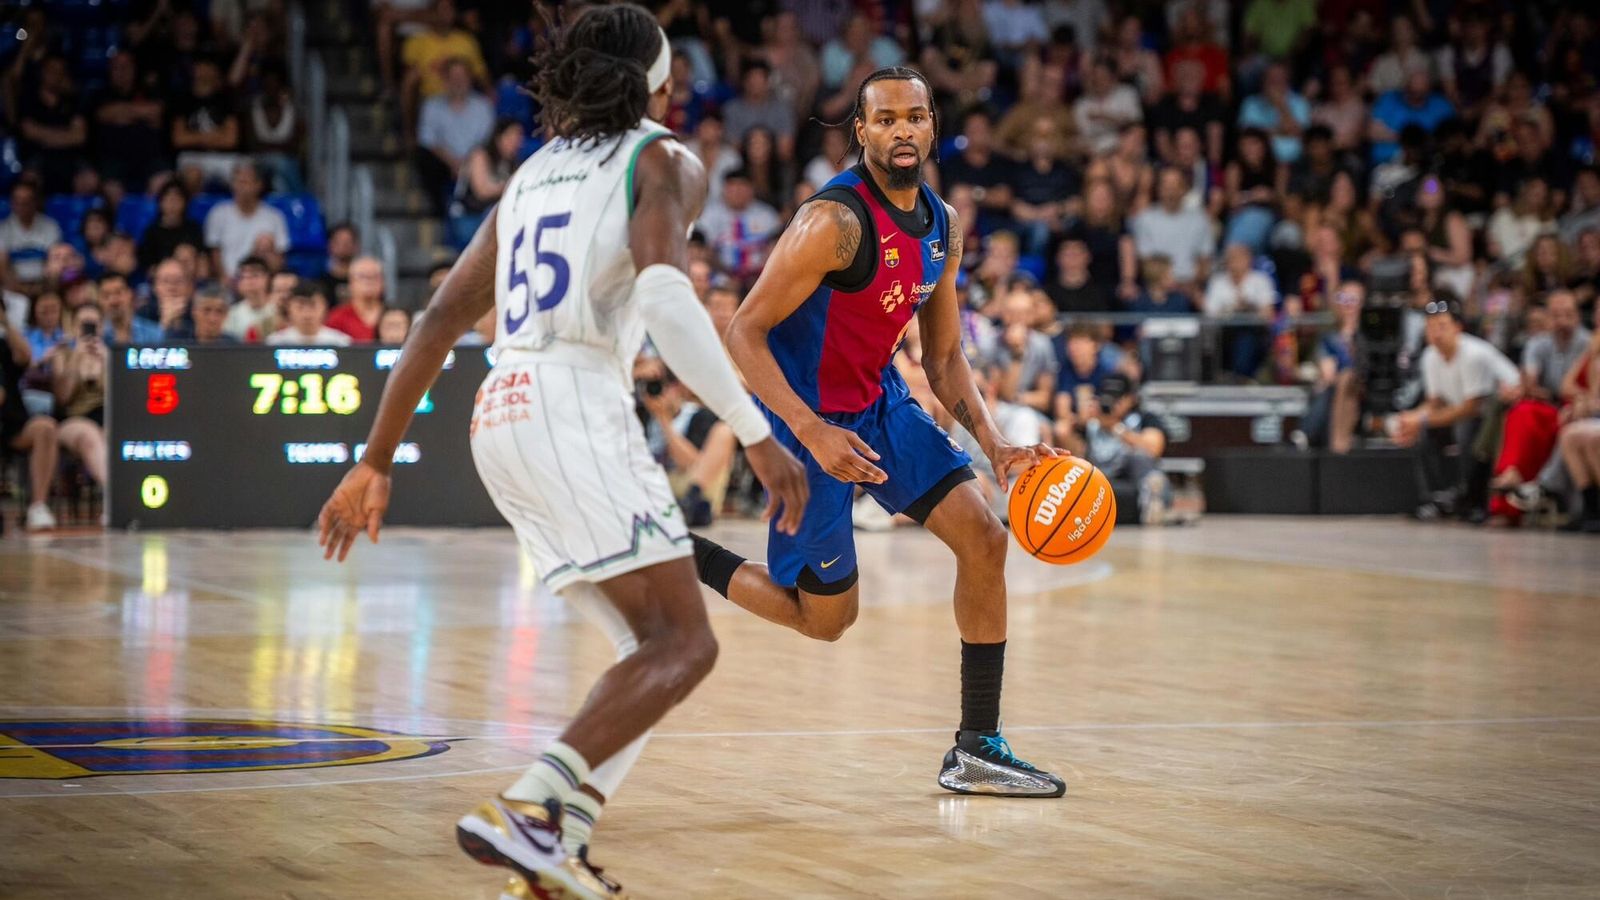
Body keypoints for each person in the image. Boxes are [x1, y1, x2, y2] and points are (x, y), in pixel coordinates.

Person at [313, 8, 807, 898]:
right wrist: (759, 431)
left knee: (641, 650)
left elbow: (435, 323)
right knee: (686, 648)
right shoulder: (663, 158)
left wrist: (374, 459)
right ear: (661, 82)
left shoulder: (533, 174)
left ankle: (556, 842)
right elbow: (663, 291)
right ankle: (526, 805)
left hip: (498, 410)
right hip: (571, 401)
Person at [693, 66, 1068, 798]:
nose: (903, 130)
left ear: (932, 126)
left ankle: (977, 747)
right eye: (886, 118)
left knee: (986, 539)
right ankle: (677, 554)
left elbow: (947, 356)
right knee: (825, 622)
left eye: (916, 117)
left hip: (881, 401)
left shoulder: (943, 225)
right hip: (809, 424)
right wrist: (807, 430)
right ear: (860, 130)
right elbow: (744, 333)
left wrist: (999, 451)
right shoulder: (831, 223)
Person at [1392, 297, 1520, 522]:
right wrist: (1412, 419)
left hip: (1501, 415)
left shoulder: (1474, 354)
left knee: (1464, 429)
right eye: (1430, 328)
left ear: (1457, 328)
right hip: (1464, 412)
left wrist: (1422, 419)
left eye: (1442, 326)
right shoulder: (1430, 356)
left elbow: (1472, 407)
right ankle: (1436, 498)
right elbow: (1435, 402)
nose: (1436, 333)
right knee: (1422, 433)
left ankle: (1473, 500)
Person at [0, 306, 64, 531]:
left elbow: (25, 358)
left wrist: (6, 323)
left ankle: (38, 507)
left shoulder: (5, 343)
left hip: (11, 425)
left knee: (45, 428)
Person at [203, 160, 289, 278]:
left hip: (262, 281)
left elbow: (279, 257)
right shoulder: (218, 213)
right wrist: (225, 279)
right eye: (237, 182)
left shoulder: (274, 217)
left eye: (246, 182)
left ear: (258, 185)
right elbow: (215, 252)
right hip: (228, 281)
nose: (241, 187)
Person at [266, 283, 351, 346]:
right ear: (289, 309)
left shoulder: (340, 343)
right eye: (300, 307)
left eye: (313, 306)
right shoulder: (275, 343)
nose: (307, 314)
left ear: (324, 307)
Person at [325, 256, 386, 342]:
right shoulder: (337, 317)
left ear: (382, 282)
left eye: (374, 276)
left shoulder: (393, 316)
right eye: (363, 276)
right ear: (351, 282)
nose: (369, 281)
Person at [98, 273, 164, 345]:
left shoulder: (154, 333)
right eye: (106, 295)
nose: (113, 300)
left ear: (130, 294)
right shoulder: (98, 337)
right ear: (99, 301)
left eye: (118, 293)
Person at [222, 255, 276, 340]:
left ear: (267, 278)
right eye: (244, 277)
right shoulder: (232, 314)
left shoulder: (277, 310)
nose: (249, 281)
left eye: (254, 275)